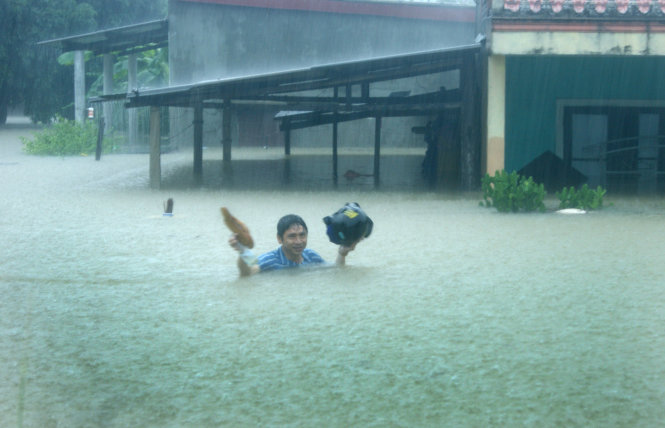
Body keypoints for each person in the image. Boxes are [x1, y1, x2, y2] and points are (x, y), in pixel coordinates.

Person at [228, 214, 359, 277]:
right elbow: (248, 272)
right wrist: (242, 250)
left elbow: (335, 269)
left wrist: (342, 253)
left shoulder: (311, 256)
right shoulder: (269, 260)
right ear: (279, 239)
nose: (299, 241)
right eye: (292, 236)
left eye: (302, 235)